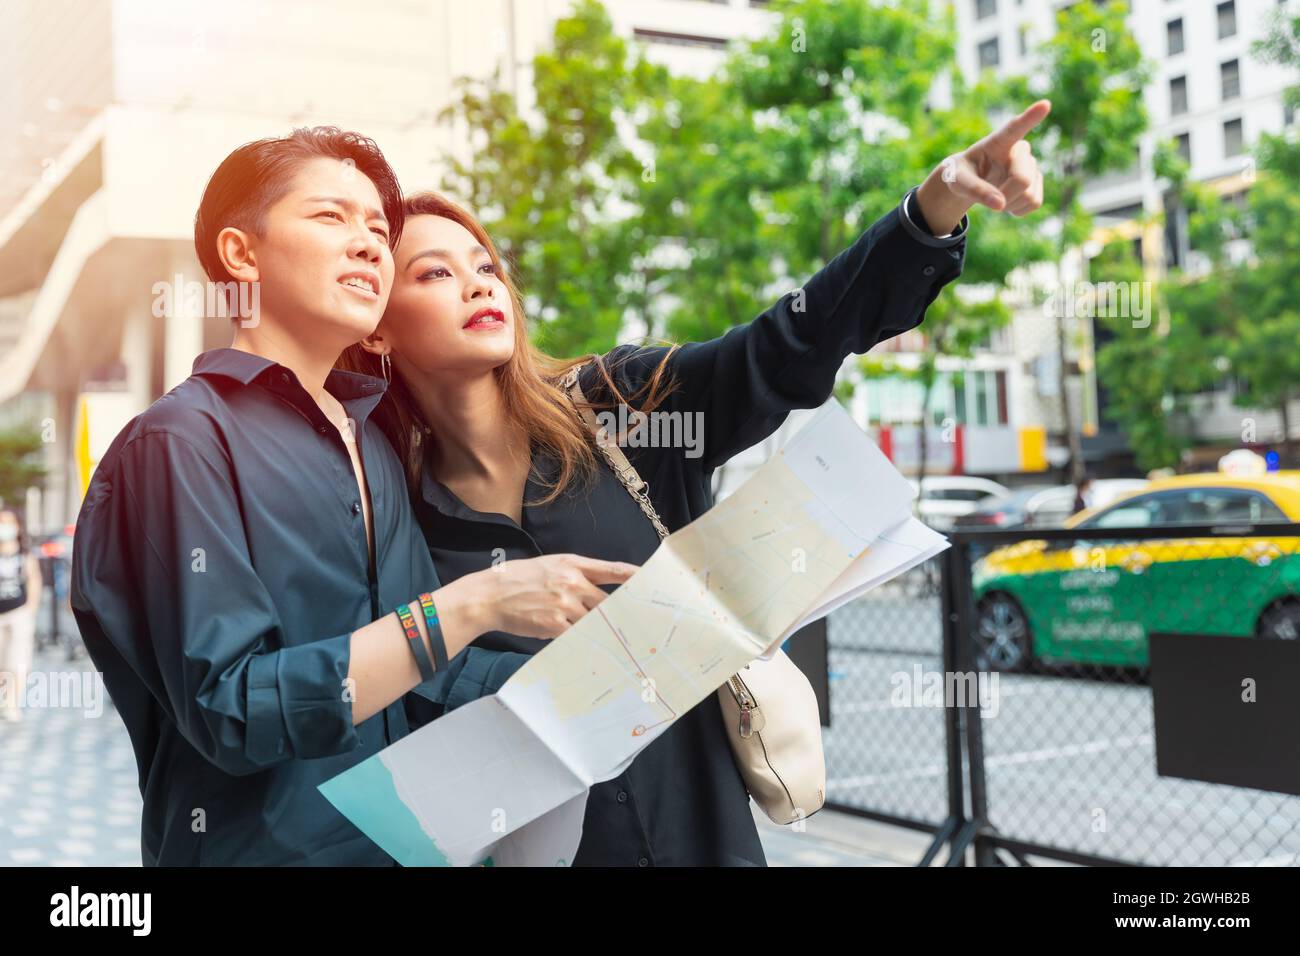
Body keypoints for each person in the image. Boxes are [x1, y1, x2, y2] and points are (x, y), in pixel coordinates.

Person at [339, 102, 1050, 865]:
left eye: (486, 266)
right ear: (377, 325)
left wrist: (935, 205)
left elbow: (786, 348)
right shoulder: (390, 516)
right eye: (435, 273)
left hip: (704, 840)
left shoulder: (618, 405)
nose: (478, 286)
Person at [69, 127, 635, 866]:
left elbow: (426, 665)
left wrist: (619, 673)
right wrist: (474, 603)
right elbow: (234, 712)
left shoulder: (369, 439)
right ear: (242, 255)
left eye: (377, 228)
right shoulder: (178, 444)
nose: (370, 244)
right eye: (332, 218)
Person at [0, 508, 42, 723]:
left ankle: (12, 704)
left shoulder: (24, 554)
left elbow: (34, 580)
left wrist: (30, 609)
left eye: (8, 522)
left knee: (17, 660)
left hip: (18, 613)